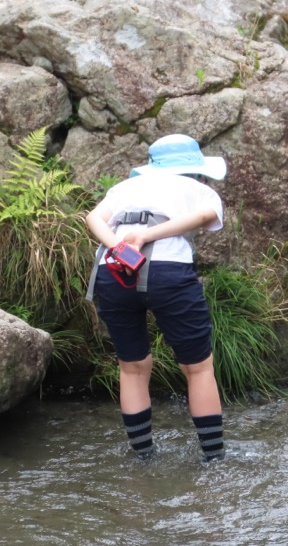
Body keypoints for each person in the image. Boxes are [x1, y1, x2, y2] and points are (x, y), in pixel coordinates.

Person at [85, 134, 227, 462]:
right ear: (192, 167)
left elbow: (93, 217)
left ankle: (144, 457)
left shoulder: (124, 188)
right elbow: (204, 217)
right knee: (198, 368)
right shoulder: (198, 189)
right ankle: (214, 461)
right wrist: (147, 235)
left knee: (132, 367)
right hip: (168, 271)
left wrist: (120, 246)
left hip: (113, 271)